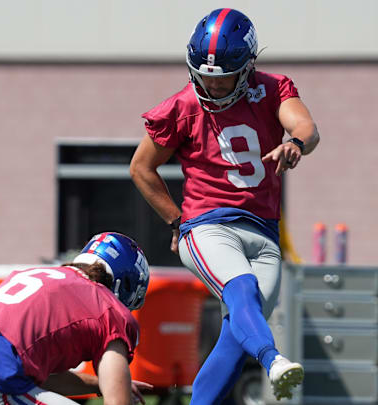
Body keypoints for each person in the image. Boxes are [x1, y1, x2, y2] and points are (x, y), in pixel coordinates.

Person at [129, 8, 320, 403]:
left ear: (248, 68)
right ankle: (273, 361)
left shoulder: (272, 89)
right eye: (205, 76)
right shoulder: (182, 106)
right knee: (242, 289)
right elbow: (142, 168)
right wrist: (177, 221)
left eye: (223, 78)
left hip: (264, 231)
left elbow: (305, 127)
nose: (212, 86)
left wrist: (294, 144)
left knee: (237, 334)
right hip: (207, 224)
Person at [0, 232, 153, 405]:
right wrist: (117, 389)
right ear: (127, 282)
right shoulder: (111, 309)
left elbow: (33, 377)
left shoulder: (35, 273)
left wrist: (99, 384)